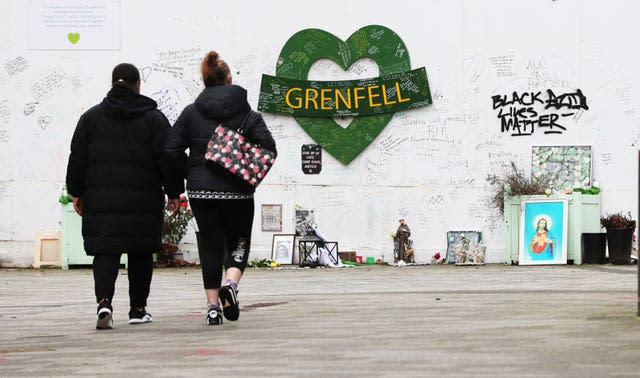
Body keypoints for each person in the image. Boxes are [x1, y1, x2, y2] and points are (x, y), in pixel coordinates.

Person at [65, 63, 183, 330]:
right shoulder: (154, 119)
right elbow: (168, 158)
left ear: (112, 84)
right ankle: (138, 309)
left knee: (105, 252)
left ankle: (104, 302)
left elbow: (78, 158)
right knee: (140, 252)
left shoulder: (91, 118)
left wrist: (76, 191)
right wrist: (174, 191)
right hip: (143, 200)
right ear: (138, 85)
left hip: (101, 200)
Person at [165, 51, 277, 326]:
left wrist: (189, 172)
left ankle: (213, 308)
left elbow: (171, 149)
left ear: (205, 80)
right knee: (239, 240)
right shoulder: (249, 115)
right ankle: (231, 284)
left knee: (211, 244)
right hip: (238, 191)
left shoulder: (191, 112)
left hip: (201, 191)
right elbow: (269, 149)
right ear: (229, 79)